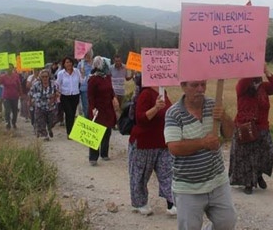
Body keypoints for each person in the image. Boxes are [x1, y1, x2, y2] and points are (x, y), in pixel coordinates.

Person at [164, 80, 237, 230]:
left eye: (203, 85)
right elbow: (174, 147)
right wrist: (203, 143)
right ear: (183, 86)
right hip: (188, 187)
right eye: (195, 85)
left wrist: (223, 116)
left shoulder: (213, 105)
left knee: (227, 222)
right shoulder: (174, 113)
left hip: (217, 182)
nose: (200, 89)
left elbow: (230, 134)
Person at [229, 64, 273, 195]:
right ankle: (248, 183)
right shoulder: (242, 86)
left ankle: (258, 174)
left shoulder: (263, 87)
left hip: (262, 127)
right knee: (246, 156)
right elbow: (245, 81)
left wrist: (267, 71)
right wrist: (252, 64)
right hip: (245, 127)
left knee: (269, 152)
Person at [128, 76, 175, 216]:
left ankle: (172, 203)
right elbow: (140, 119)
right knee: (141, 174)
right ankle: (140, 203)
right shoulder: (146, 94)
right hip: (144, 143)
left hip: (162, 142)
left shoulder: (163, 92)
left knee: (167, 173)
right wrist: (155, 108)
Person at [87, 56, 119, 166]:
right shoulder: (93, 79)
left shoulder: (107, 77)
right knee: (95, 132)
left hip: (108, 108)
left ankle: (104, 154)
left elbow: (111, 90)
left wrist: (114, 98)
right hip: (97, 109)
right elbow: (90, 96)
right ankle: (93, 157)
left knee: (107, 131)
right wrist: (92, 108)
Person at [29, 69, 60, 140]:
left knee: (53, 121)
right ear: (40, 77)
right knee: (40, 121)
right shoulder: (36, 85)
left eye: (46, 76)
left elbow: (58, 93)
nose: (45, 78)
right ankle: (44, 135)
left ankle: (49, 128)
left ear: (49, 76)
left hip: (51, 107)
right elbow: (31, 94)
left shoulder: (54, 84)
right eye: (43, 77)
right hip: (40, 106)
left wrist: (55, 96)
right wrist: (31, 102)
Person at [56, 56, 82, 136]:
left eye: (70, 62)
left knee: (73, 113)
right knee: (68, 113)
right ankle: (69, 132)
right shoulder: (61, 73)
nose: (69, 64)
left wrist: (83, 74)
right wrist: (57, 92)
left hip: (75, 95)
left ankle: (72, 130)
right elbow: (57, 84)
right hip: (65, 96)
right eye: (67, 62)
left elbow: (82, 81)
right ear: (64, 64)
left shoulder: (77, 72)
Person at [0, 64, 22, 130]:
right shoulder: (3, 77)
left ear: (13, 68)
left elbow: (19, 85)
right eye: (8, 68)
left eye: (10, 68)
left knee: (15, 111)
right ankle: (7, 124)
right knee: (7, 111)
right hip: (6, 96)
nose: (9, 69)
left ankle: (14, 122)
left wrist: (21, 94)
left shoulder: (16, 76)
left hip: (15, 96)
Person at [77, 48, 94, 118]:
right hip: (83, 88)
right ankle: (87, 121)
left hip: (93, 88)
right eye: (85, 54)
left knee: (92, 106)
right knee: (86, 107)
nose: (86, 56)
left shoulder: (94, 63)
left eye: (88, 54)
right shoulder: (81, 64)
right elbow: (78, 76)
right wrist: (81, 73)